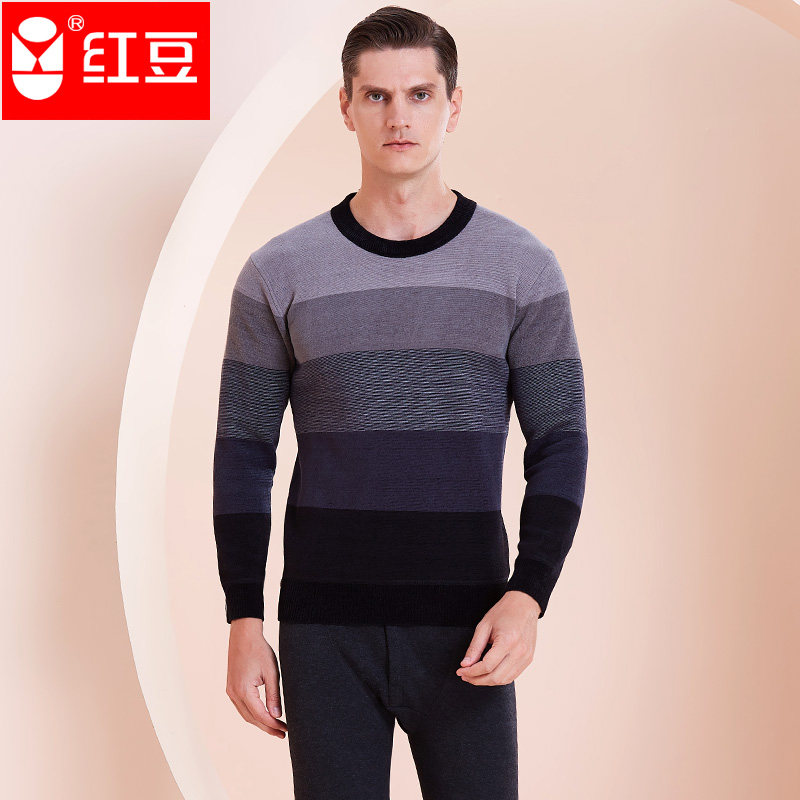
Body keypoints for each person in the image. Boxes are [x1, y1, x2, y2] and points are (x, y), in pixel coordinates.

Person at [212, 6, 588, 799]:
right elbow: (243, 451)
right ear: (345, 107)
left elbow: (560, 439)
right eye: (376, 96)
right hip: (323, 633)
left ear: (454, 104)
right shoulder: (278, 273)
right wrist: (244, 617)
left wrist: (529, 594)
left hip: (469, 625)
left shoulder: (522, 268)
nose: (399, 117)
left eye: (420, 94)